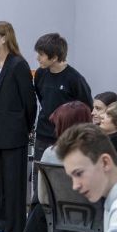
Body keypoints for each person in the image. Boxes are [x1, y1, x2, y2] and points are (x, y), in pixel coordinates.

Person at [0, 21, 36, 232]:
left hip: (13, 135)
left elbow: (29, 102)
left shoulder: (18, 64)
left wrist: (25, 128)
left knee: (13, 185)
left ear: (4, 38)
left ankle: (14, 231)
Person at [18, 101, 92, 232]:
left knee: (40, 209)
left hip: (58, 223)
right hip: (94, 227)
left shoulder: (51, 154)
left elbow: (43, 197)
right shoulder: (101, 155)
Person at [32, 33, 92, 202]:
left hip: (66, 138)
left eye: (41, 54)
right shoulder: (40, 74)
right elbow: (42, 99)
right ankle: (39, 213)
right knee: (40, 181)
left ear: (55, 57)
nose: (37, 58)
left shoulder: (75, 79)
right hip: (43, 135)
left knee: (64, 181)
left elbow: (85, 108)